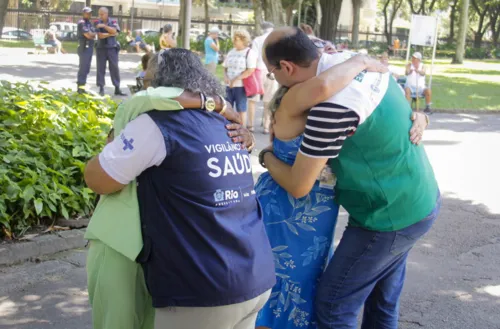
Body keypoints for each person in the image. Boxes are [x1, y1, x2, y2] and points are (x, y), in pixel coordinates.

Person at [260, 27, 439, 329]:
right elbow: (401, 113)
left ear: (287, 67)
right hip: (417, 201)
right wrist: (361, 60)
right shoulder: (358, 66)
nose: (274, 80)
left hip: (386, 217)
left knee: (332, 307)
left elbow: (299, 185)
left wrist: (265, 158)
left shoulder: (330, 109)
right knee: (382, 303)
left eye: (271, 73)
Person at [84, 48, 274, 329]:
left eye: (145, 81)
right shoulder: (226, 123)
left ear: (159, 87)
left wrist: (116, 138)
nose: (142, 87)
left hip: (201, 292)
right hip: (253, 275)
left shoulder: (156, 125)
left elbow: (98, 179)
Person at [223, 29, 258, 127]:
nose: (234, 41)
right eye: (233, 39)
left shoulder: (249, 52)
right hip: (228, 85)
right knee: (227, 107)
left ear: (243, 40)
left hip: (241, 86)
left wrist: (235, 79)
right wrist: (226, 76)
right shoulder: (231, 51)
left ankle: (241, 129)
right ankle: (226, 127)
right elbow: (225, 67)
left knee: (241, 109)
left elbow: (250, 70)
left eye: (236, 39)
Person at [250, 21, 278, 134]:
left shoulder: (257, 40)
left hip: (259, 70)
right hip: (272, 70)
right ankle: (266, 125)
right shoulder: (276, 39)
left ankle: (250, 125)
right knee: (269, 99)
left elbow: (254, 56)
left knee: (253, 99)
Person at [95, 7, 126, 96]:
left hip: (112, 48)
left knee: (114, 68)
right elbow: (100, 36)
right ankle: (101, 88)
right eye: (99, 14)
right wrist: (111, 34)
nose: (100, 16)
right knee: (100, 68)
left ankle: (117, 88)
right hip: (101, 48)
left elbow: (115, 31)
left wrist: (105, 26)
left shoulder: (113, 21)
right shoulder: (97, 22)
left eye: (102, 14)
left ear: (106, 14)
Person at [76, 7, 96, 94]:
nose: (89, 14)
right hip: (84, 48)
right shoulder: (82, 23)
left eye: (90, 13)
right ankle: (80, 88)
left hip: (89, 48)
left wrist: (92, 35)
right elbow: (88, 35)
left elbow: (93, 34)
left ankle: (82, 87)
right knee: (83, 68)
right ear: (83, 13)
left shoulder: (89, 23)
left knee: (86, 68)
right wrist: (93, 35)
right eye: (87, 13)